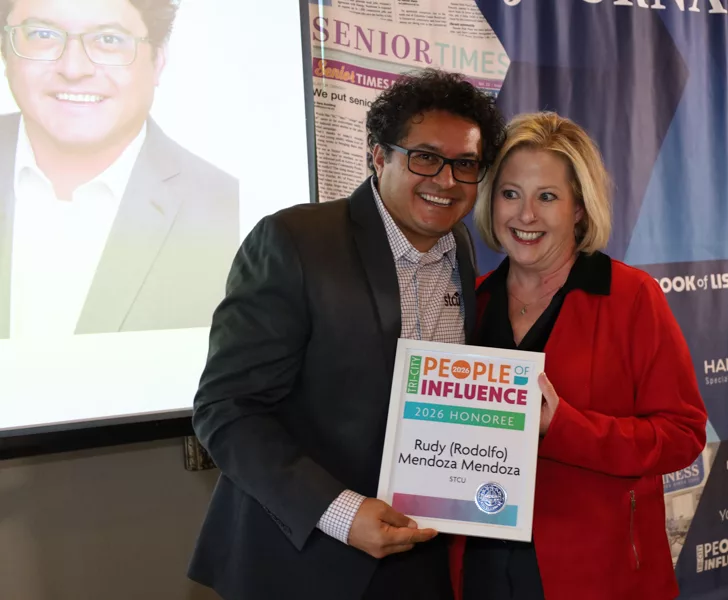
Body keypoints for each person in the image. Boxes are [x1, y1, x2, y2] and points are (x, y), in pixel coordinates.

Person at [188, 68, 507, 600]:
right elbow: (227, 409)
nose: (446, 180)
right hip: (301, 560)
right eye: (425, 157)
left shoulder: (462, 251)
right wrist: (340, 511)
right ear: (379, 156)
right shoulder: (295, 241)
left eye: (466, 164)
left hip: (418, 558)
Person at [449, 111, 708, 600]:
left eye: (547, 197)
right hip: (479, 565)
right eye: (510, 194)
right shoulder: (472, 302)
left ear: (579, 209)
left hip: (594, 574)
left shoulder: (631, 297)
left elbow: (682, 434)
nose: (525, 216)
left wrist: (564, 425)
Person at [0, 0, 238, 339]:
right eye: (42, 34)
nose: (73, 67)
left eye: (108, 40)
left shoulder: (226, 209)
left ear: (158, 60)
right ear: (5, 52)